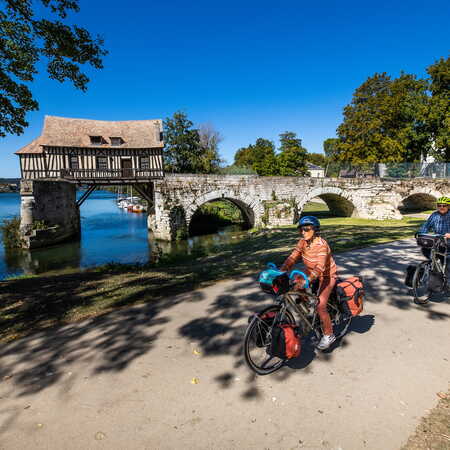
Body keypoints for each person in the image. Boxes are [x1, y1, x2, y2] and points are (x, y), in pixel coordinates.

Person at [280, 215, 338, 350]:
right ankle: (306, 309)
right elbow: (293, 257)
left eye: (306, 229)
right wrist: (281, 271)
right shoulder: (302, 242)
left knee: (320, 305)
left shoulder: (322, 245)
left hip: (327, 275)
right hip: (311, 271)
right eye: (301, 230)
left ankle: (329, 335)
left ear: (315, 230)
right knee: (294, 284)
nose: (303, 232)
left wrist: (308, 280)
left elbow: (320, 267)